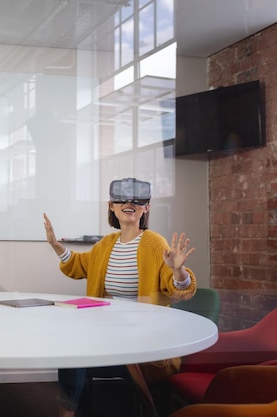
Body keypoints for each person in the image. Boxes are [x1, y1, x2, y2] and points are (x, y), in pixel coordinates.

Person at [43, 178, 197, 417]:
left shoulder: (155, 244)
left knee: (79, 351)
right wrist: (55, 245)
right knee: (71, 348)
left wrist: (178, 270)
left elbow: (179, 288)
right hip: (106, 335)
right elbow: (77, 265)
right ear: (111, 206)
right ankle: (68, 413)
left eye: (137, 200)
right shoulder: (105, 245)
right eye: (121, 198)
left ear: (146, 208)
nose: (129, 203)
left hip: (142, 341)